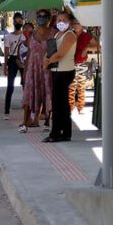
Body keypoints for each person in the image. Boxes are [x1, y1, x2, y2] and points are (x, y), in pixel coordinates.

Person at [43, 13, 78, 142]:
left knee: (59, 104)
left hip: (65, 71)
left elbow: (60, 54)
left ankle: (56, 133)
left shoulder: (69, 35)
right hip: (56, 70)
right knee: (61, 103)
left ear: (69, 22)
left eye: (64, 20)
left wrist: (48, 62)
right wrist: (45, 60)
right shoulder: (58, 34)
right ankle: (64, 132)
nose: (61, 22)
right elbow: (51, 50)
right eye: (59, 20)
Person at [20, 9, 55, 132]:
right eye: (39, 16)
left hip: (46, 68)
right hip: (32, 68)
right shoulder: (32, 35)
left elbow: (52, 53)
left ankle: (46, 121)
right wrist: (25, 73)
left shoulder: (52, 34)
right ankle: (25, 122)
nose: (41, 18)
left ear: (48, 18)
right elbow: (29, 54)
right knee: (29, 94)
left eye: (44, 16)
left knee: (47, 93)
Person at [69, 20, 98, 114]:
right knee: (71, 87)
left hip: (81, 64)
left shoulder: (86, 36)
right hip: (70, 63)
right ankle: (70, 107)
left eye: (78, 23)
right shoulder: (69, 35)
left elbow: (98, 47)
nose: (76, 25)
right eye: (74, 23)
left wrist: (87, 48)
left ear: (82, 25)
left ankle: (80, 107)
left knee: (81, 86)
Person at [2, 17, 25, 119]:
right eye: (16, 21)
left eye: (20, 21)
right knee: (10, 86)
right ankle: (6, 111)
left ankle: (27, 107)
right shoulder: (8, 36)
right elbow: (7, 52)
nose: (18, 23)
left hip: (23, 60)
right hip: (12, 60)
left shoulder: (25, 36)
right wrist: (5, 66)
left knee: (25, 85)